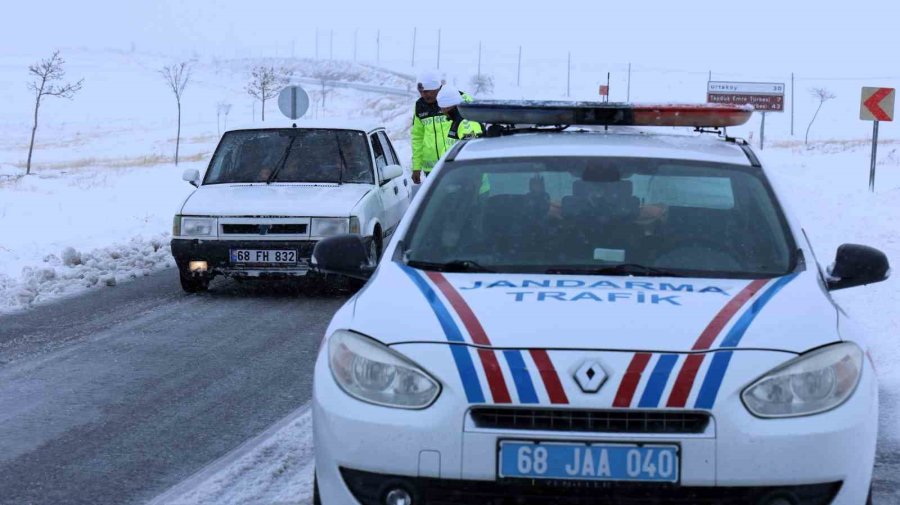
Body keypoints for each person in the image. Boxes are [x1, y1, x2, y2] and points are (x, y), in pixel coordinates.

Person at [410, 71, 474, 184]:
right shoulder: (419, 106)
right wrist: (416, 166)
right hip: (431, 169)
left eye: (427, 91)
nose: (424, 95)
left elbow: (473, 133)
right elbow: (417, 137)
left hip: (455, 165)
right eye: (420, 91)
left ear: (437, 88)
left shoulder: (459, 99)